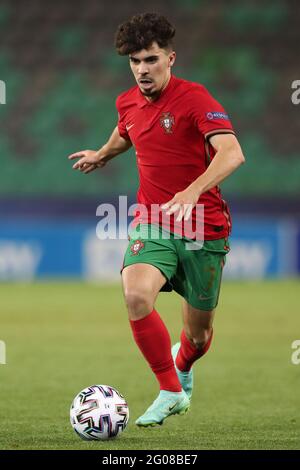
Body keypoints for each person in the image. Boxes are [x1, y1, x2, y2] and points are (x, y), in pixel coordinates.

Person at [68, 12, 245, 427]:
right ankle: (169, 389)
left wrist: (193, 190)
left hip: (205, 228)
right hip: (154, 220)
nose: (142, 70)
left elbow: (232, 153)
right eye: (135, 61)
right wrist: (102, 153)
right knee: (135, 295)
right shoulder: (126, 101)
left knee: (198, 336)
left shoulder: (196, 99)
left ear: (171, 58)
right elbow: (125, 132)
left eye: (150, 59)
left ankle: (183, 367)